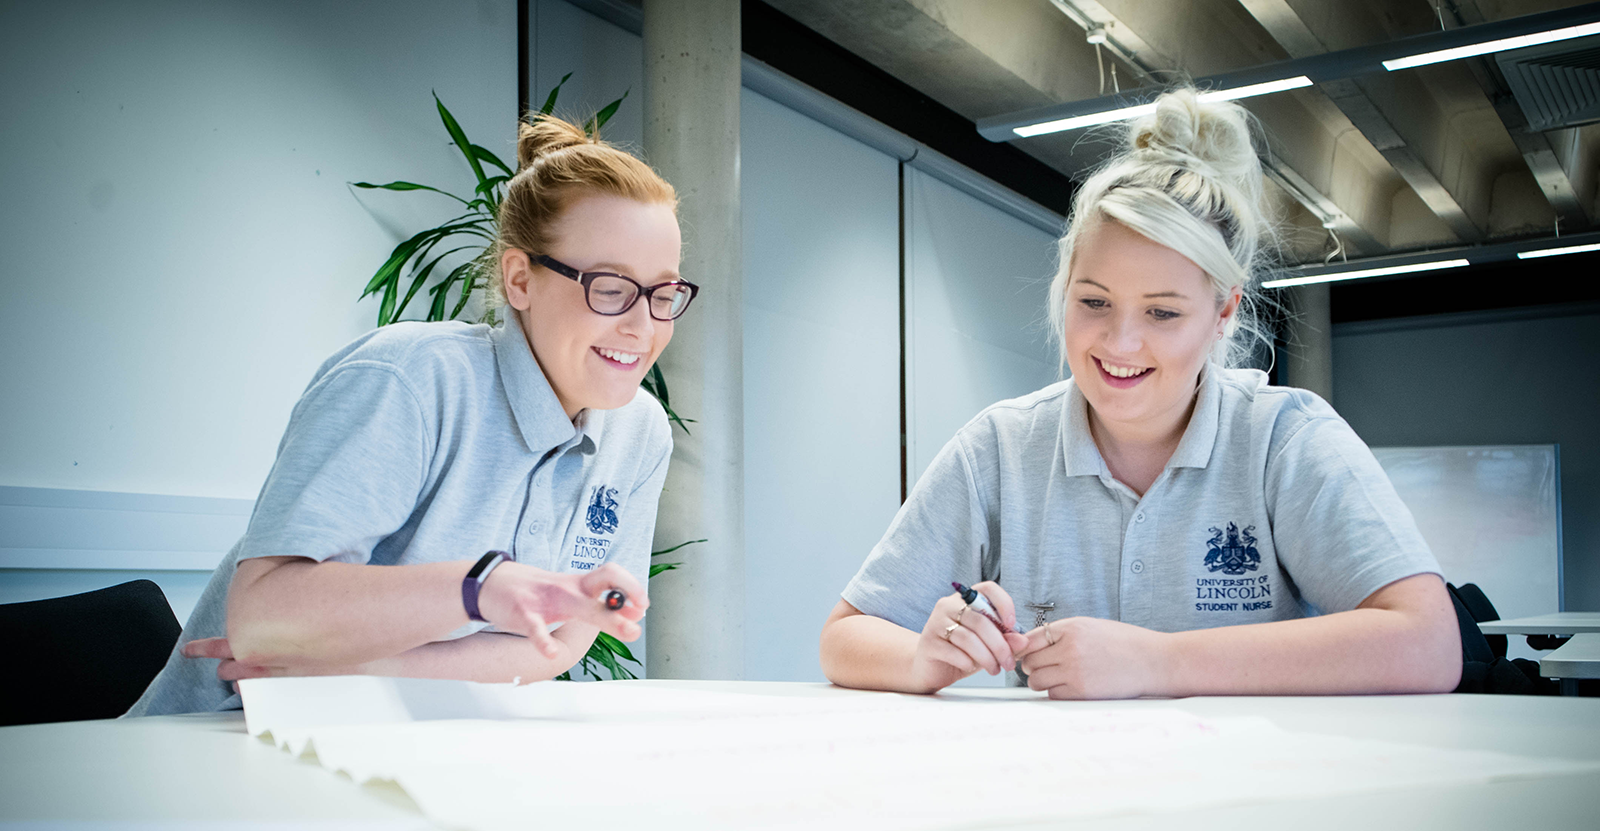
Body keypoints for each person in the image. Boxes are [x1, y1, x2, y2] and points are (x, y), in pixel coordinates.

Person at [818, 89, 1462, 700]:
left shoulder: (1282, 438)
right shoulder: (1001, 447)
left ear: (1223, 313)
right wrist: (921, 657)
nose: (1120, 344)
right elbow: (845, 637)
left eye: (1162, 313)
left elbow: (1429, 643)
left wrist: (1158, 661)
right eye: (1094, 302)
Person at [128, 113, 694, 715]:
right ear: (521, 279)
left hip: (407, 730)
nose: (643, 326)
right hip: (226, 734)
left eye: (664, 295)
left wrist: (357, 671)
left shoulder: (639, 431)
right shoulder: (409, 380)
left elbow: (560, 645)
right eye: (610, 288)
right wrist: (481, 589)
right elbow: (264, 619)